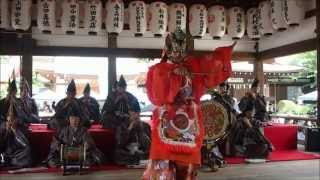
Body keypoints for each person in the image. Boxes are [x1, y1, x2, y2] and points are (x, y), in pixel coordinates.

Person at [143, 29, 235, 179]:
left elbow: (212, 69)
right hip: (166, 119)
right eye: (174, 50)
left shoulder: (194, 68)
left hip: (190, 121)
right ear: (167, 50)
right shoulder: (158, 70)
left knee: (186, 166)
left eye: (181, 51)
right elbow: (157, 98)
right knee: (162, 164)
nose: (178, 55)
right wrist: (171, 76)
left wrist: (222, 57)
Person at [101, 75, 151, 165]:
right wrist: (129, 128)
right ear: (117, 87)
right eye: (120, 88)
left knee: (149, 152)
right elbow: (120, 144)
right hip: (117, 121)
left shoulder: (130, 97)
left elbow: (149, 145)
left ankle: (139, 158)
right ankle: (138, 159)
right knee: (117, 154)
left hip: (139, 149)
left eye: (137, 113)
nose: (122, 90)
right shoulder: (112, 96)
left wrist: (141, 130)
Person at [0, 100, 32, 168]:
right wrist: (6, 133)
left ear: (16, 120)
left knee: (27, 150)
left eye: (12, 120)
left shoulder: (21, 127)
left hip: (19, 153)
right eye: (8, 121)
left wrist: (14, 132)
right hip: (7, 152)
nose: (10, 122)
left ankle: (12, 162)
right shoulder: (3, 127)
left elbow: (24, 145)